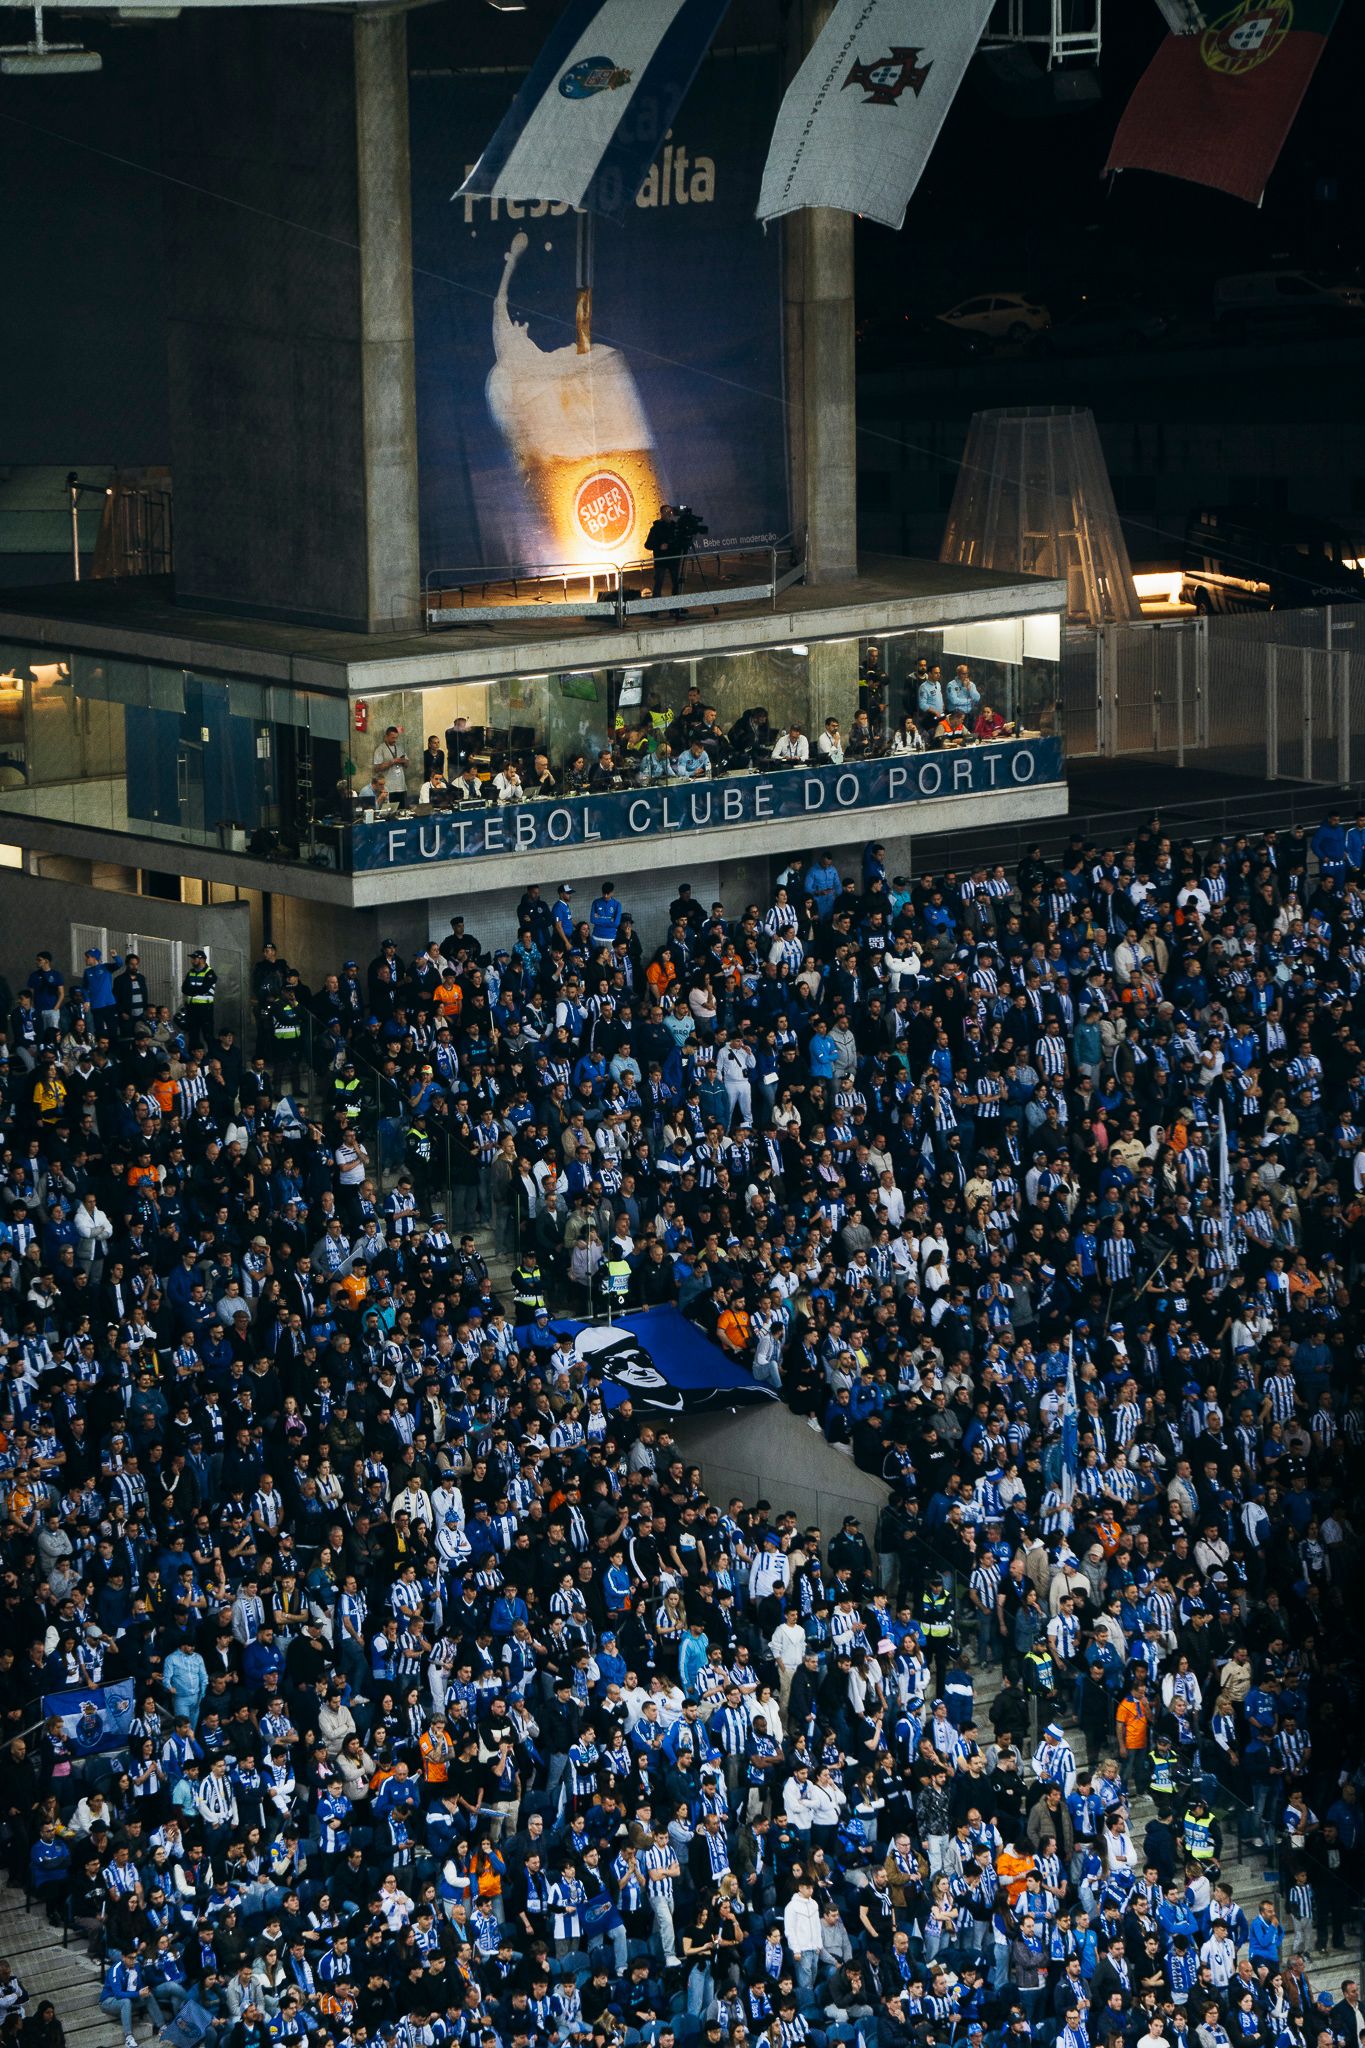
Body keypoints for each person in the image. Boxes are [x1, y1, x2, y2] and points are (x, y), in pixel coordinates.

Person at [645, 504, 680, 597]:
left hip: (673, 559)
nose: (669, 514)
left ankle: (676, 607)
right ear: (661, 513)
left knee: (677, 583)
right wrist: (659, 546)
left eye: (670, 512)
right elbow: (647, 544)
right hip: (661, 560)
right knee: (658, 584)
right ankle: (656, 608)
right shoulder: (656, 528)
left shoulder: (675, 527)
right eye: (666, 512)